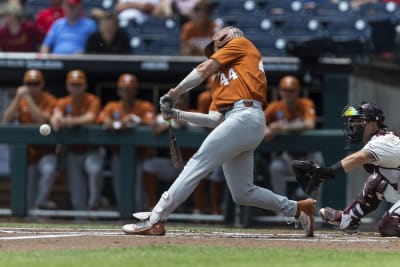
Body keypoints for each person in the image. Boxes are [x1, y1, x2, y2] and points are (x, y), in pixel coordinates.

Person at [122, 26, 316, 237]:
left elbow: (204, 69)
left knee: (198, 162)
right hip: (241, 123)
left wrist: (175, 92)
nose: (214, 51)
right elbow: (215, 120)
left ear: (226, 36)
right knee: (243, 192)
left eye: (215, 45)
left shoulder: (241, 44)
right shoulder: (220, 81)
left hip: (246, 115)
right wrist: (178, 114)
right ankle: (297, 209)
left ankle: (157, 217)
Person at [316, 102, 400, 236]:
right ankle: (348, 219)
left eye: (359, 121)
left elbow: (359, 157)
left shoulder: (383, 141)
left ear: (373, 124)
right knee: (376, 182)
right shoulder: (379, 141)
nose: (352, 125)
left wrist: (329, 171)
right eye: (352, 121)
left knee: (389, 225)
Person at [96, 73, 155, 211]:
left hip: (140, 155)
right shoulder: (112, 106)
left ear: (135, 90)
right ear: (118, 90)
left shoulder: (144, 106)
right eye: (124, 89)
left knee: (138, 192)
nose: (127, 92)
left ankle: (140, 216)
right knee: (120, 188)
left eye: (130, 88)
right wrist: (119, 123)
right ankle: (123, 215)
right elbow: (103, 120)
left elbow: (152, 121)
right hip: (118, 155)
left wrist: (136, 119)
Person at [2, 69, 58, 209]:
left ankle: (41, 204)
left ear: (42, 84)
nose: (32, 87)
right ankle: (33, 218)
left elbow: (42, 120)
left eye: (36, 83)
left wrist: (27, 99)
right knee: (29, 193)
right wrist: (17, 98)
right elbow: (6, 120)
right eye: (29, 84)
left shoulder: (49, 99)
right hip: (28, 153)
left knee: (49, 170)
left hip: (46, 150)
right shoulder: (20, 101)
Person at [50, 69, 103, 211]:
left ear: (85, 85)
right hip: (73, 152)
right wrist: (56, 119)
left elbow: (89, 118)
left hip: (92, 150)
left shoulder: (93, 100)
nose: (76, 88)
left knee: (95, 170)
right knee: (76, 191)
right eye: (73, 84)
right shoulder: (63, 102)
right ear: (67, 86)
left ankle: (93, 205)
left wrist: (67, 122)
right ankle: (80, 220)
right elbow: (55, 116)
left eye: (79, 84)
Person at [264, 75, 324, 198]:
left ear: (298, 91)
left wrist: (284, 127)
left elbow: (310, 124)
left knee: (317, 171)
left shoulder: (305, 103)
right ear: (280, 91)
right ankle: (281, 210)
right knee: (275, 167)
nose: (288, 94)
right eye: (285, 90)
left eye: (291, 90)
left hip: (310, 157)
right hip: (289, 157)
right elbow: (259, 123)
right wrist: (268, 128)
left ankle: (314, 210)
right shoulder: (275, 107)